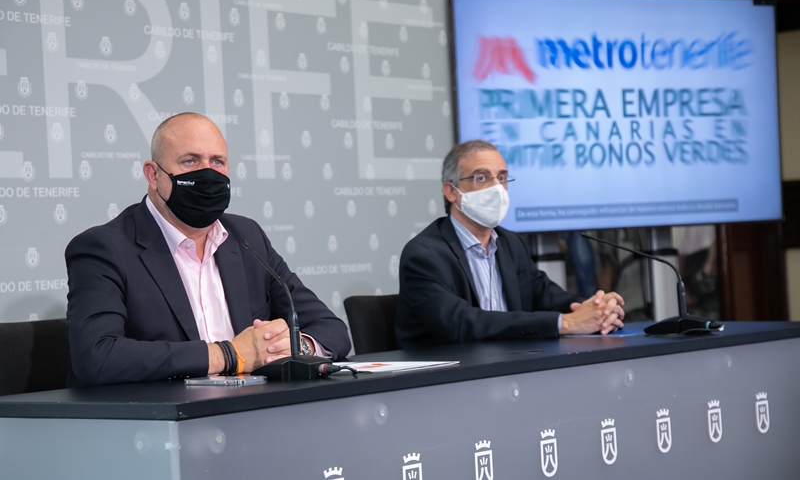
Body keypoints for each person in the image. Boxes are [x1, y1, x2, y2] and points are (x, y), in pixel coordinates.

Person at [65, 113, 350, 386]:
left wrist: (292, 346)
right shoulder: (105, 248)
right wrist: (229, 355)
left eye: (217, 162)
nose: (208, 173)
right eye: (190, 161)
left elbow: (332, 329)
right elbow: (97, 356)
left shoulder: (246, 237)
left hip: (252, 413)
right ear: (153, 175)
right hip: (162, 422)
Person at [396, 140, 625, 349]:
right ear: (451, 192)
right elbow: (460, 324)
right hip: (444, 381)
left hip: (509, 370)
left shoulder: (510, 243)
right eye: (482, 177)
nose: (497, 188)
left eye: (502, 178)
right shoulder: (424, 255)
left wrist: (597, 310)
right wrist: (566, 323)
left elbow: (550, 298)